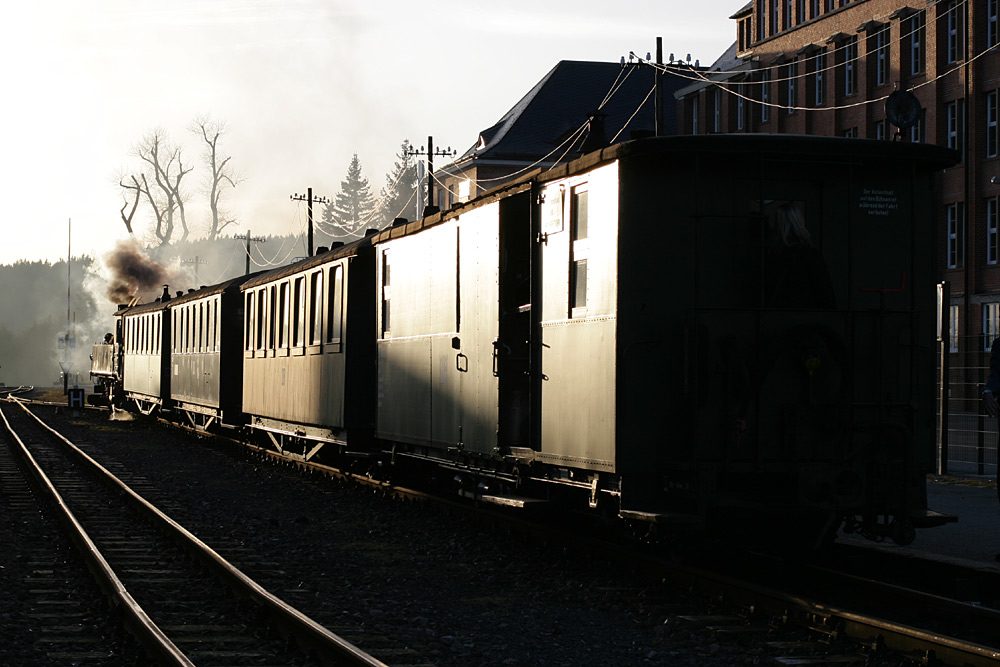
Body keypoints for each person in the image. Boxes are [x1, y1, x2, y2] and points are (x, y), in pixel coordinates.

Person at [761, 202, 837, 309]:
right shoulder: (810, 254)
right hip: (805, 317)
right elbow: (825, 293)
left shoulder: (770, 256)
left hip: (776, 317)